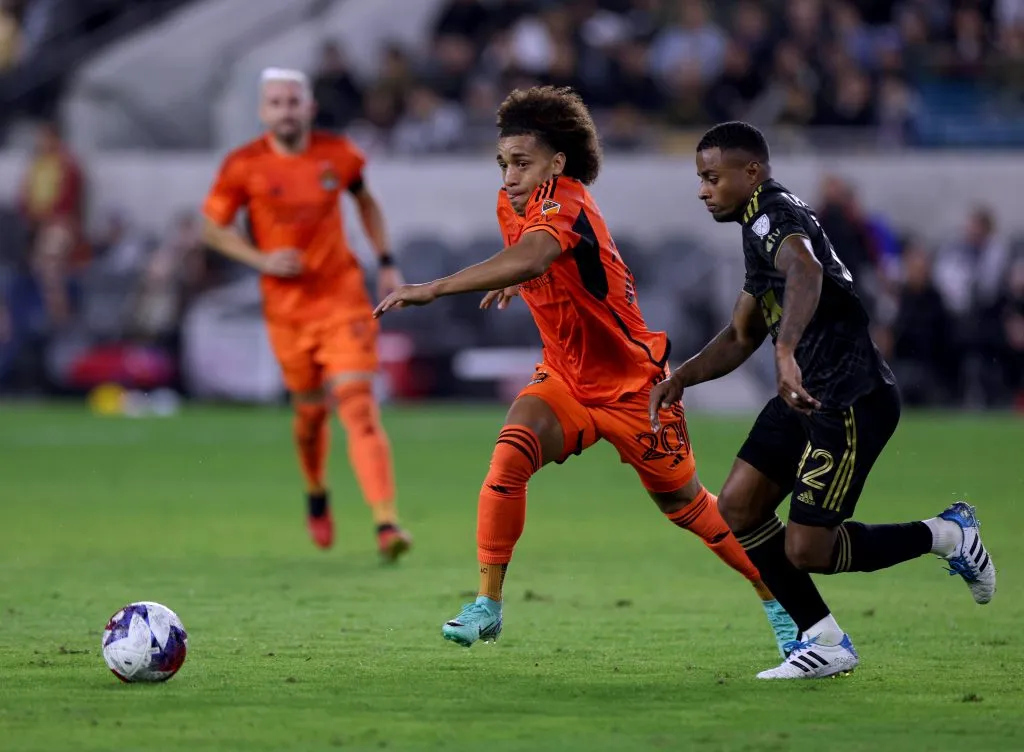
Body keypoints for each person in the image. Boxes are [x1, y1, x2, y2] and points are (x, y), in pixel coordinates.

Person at [374, 86, 796, 653]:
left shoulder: (566, 199)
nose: (509, 176)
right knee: (508, 458)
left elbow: (538, 253)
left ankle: (782, 603)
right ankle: (487, 605)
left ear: (557, 162)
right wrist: (512, 283)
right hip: (566, 377)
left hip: (633, 386)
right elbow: (531, 263)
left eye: (521, 163)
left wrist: (437, 287)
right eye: (503, 163)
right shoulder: (513, 205)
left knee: (689, 507)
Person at [649, 121, 995, 680]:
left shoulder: (772, 216)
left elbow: (805, 270)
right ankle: (823, 640)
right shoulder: (757, 225)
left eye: (712, 177)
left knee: (808, 549)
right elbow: (741, 335)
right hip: (806, 394)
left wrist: (785, 351)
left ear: (751, 172)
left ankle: (948, 534)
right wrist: (682, 378)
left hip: (849, 398)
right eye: (700, 178)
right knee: (738, 506)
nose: (702, 189)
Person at [201, 68, 412, 561]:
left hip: (341, 297)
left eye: (293, 101)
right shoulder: (243, 165)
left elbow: (366, 201)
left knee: (357, 405)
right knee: (310, 416)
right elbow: (213, 228)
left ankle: (386, 523)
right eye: (276, 102)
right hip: (286, 310)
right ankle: (316, 492)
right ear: (263, 111)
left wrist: (385, 261)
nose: (285, 110)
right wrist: (260, 259)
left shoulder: (338, 155)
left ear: (309, 107)